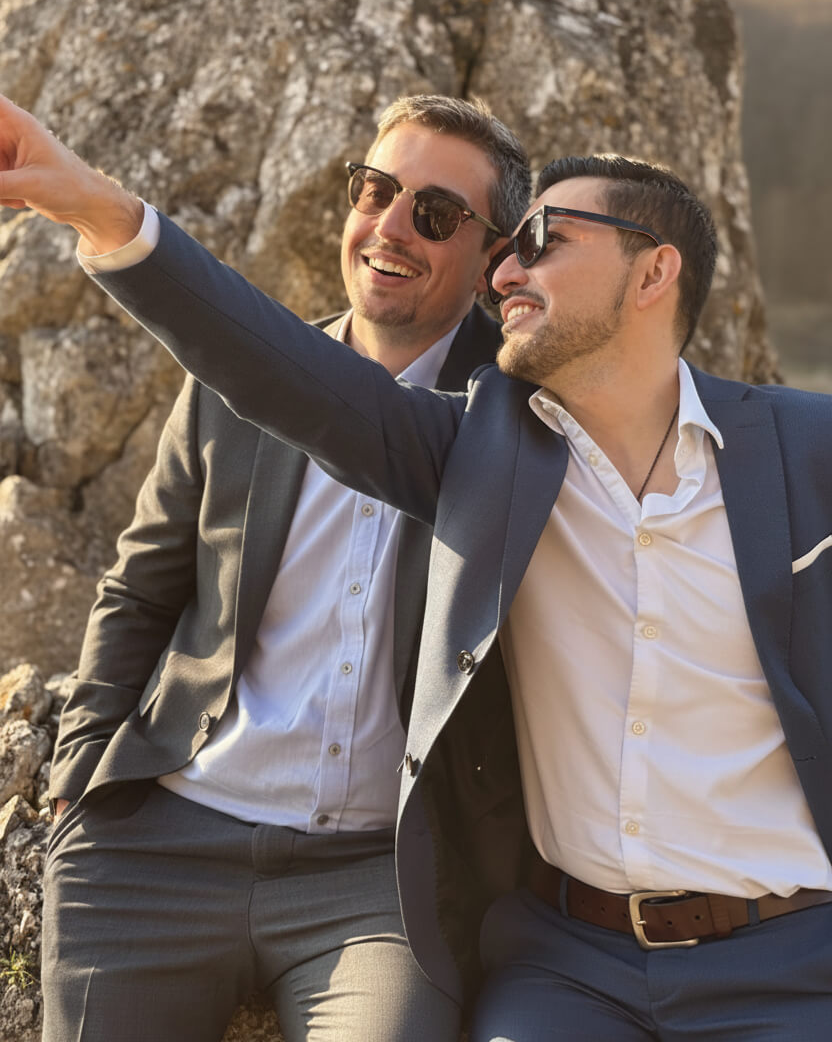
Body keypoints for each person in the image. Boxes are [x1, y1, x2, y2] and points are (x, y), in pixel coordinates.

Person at [3, 97, 832, 1039]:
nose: (509, 269)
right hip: (567, 965)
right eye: (376, 192)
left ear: (654, 271)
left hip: (790, 955)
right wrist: (101, 211)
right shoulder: (484, 448)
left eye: (540, 239)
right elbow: (268, 373)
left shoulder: (802, 447)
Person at [3, 92, 529, 1042]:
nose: (392, 226)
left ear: (496, 260)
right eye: (376, 189)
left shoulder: (517, 417)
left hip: (378, 884)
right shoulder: (229, 384)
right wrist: (81, 771)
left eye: (438, 213)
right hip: (160, 847)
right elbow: (142, 584)